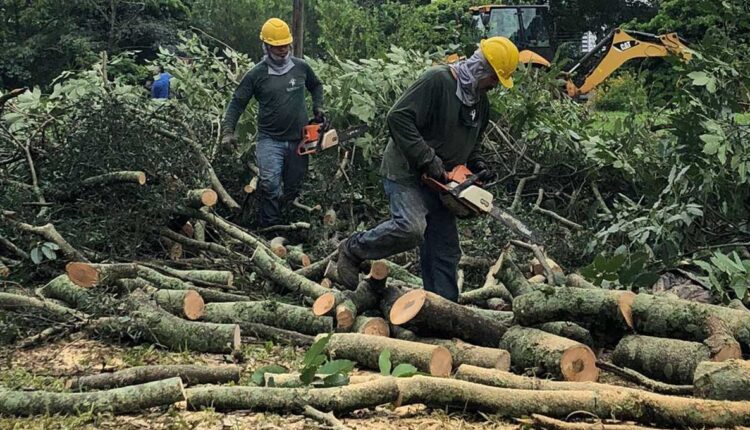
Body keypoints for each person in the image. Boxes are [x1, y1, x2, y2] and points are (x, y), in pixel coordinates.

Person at [336, 37, 519, 301]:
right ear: (482, 69)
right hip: (407, 172)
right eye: (494, 79)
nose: (494, 86)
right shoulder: (437, 81)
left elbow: (472, 143)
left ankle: (442, 308)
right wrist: (426, 158)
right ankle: (354, 248)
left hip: (442, 183)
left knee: (444, 250)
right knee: (410, 228)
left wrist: (476, 164)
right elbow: (398, 117)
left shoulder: (480, 103)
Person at [222, 18, 325, 228]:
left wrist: (319, 107)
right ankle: (270, 229)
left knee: (293, 187)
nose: (282, 50)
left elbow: (316, 86)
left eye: (285, 45)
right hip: (270, 140)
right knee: (270, 184)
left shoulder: (301, 67)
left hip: (299, 140)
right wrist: (228, 130)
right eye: (277, 46)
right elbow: (237, 103)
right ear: (266, 46)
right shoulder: (256, 74)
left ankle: (288, 224)